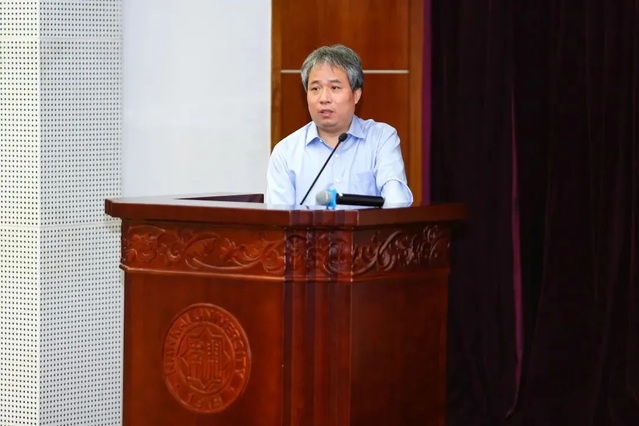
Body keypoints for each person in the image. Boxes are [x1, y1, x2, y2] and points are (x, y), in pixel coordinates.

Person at [265, 44, 413, 207]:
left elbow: (396, 201)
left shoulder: (381, 139)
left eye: (334, 87)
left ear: (356, 95)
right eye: (315, 88)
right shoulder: (286, 152)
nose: (324, 98)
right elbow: (279, 217)